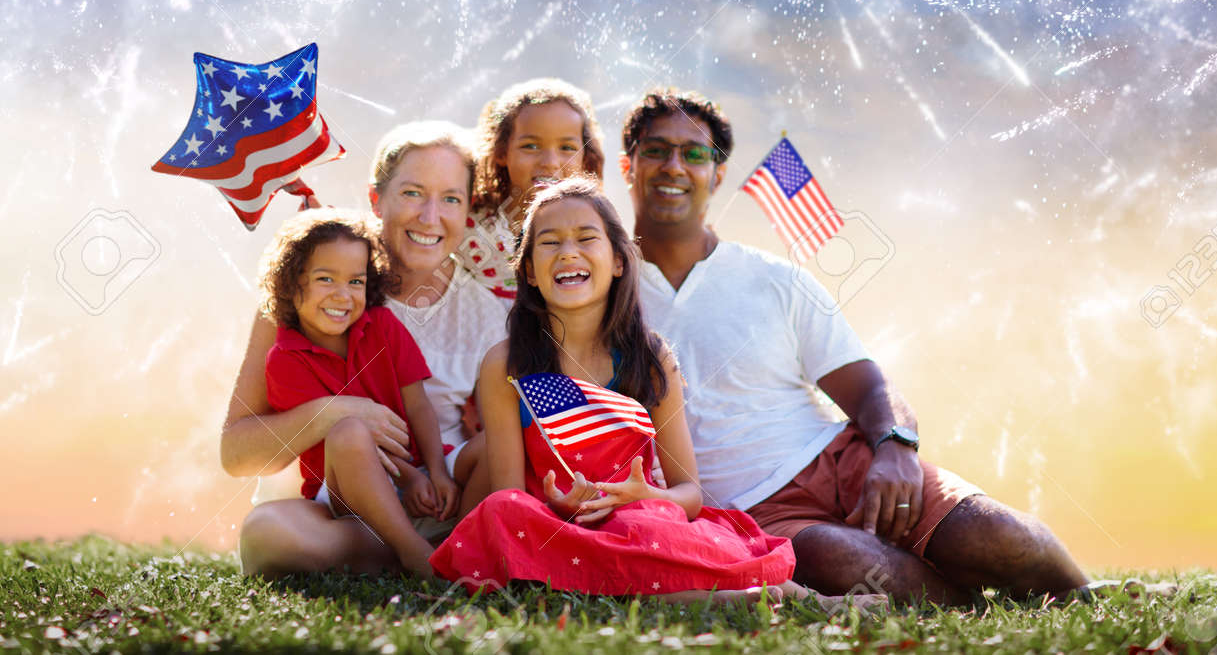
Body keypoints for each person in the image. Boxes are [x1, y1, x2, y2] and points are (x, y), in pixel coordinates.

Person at [620, 89, 1091, 605]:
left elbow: (868, 385)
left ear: (717, 174)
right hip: (749, 513)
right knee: (845, 561)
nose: (674, 166)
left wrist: (895, 447)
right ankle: (975, 611)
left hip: (843, 462)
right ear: (628, 166)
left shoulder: (775, 278)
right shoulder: (604, 290)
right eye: (656, 150)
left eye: (694, 153)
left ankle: (1087, 594)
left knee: (1000, 536)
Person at [432, 178, 876, 608]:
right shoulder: (506, 364)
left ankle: (803, 598)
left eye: (586, 238)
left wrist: (647, 496)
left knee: (653, 530)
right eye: (549, 243)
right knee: (502, 513)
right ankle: (709, 600)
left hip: (638, 519)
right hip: (554, 529)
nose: (568, 252)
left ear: (618, 261)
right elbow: (511, 494)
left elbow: (689, 494)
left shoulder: (650, 357)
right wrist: (558, 505)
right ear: (529, 270)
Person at [223, 121, 508, 578]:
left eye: (451, 199)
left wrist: (438, 474)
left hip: (439, 497)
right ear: (376, 199)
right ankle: (412, 553)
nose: (430, 217)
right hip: (341, 506)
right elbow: (237, 457)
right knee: (268, 535)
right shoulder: (306, 292)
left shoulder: (486, 313)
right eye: (412, 193)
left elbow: (498, 442)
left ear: (468, 209)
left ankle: (440, 547)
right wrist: (333, 413)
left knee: (505, 446)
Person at [258, 208, 457, 579]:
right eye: (325, 278)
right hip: (346, 490)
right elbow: (343, 445)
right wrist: (409, 478)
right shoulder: (284, 359)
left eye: (355, 281)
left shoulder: (382, 325)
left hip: (417, 473)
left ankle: (462, 543)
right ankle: (414, 552)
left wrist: (436, 471)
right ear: (291, 283)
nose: (342, 295)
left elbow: (418, 405)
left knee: (485, 450)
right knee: (349, 431)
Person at [464, 79, 605, 300]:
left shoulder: (597, 230)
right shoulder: (468, 225)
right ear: (501, 152)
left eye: (567, 148)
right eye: (531, 146)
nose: (550, 162)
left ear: (585, 159)